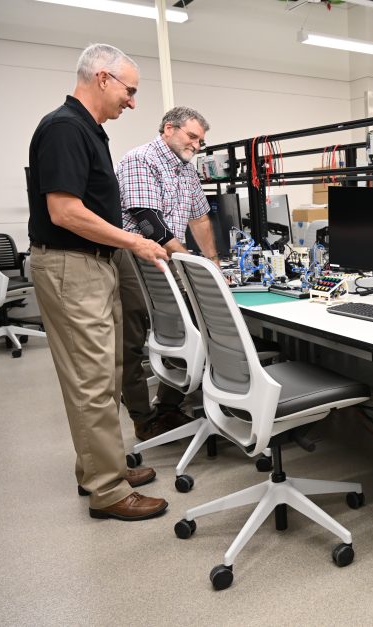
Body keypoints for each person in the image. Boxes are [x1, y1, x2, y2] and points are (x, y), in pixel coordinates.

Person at [28, 43, 170, 521]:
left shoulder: (88, 129)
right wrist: (134, 242)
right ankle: (107, 491)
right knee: (91, 381)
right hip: (71, 267)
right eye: (129, 90)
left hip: (93, 263)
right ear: (103, 78)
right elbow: (64, 212)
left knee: (106, 373)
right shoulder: (65, 128)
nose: (132, 101)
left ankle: (100, 467)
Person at [115, 106, 220, 441]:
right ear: (169, 129)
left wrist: (213, 261)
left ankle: (168, 407)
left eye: (201, 141)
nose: (197, 145)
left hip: (168, 258)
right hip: (134, 259)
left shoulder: (186, 170)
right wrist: (191, 261)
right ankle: (142, 418)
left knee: (182, 330)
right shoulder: (141, 159)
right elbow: (148, 221)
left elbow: (200, 218)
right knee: (131, 341)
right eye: (192, 137)